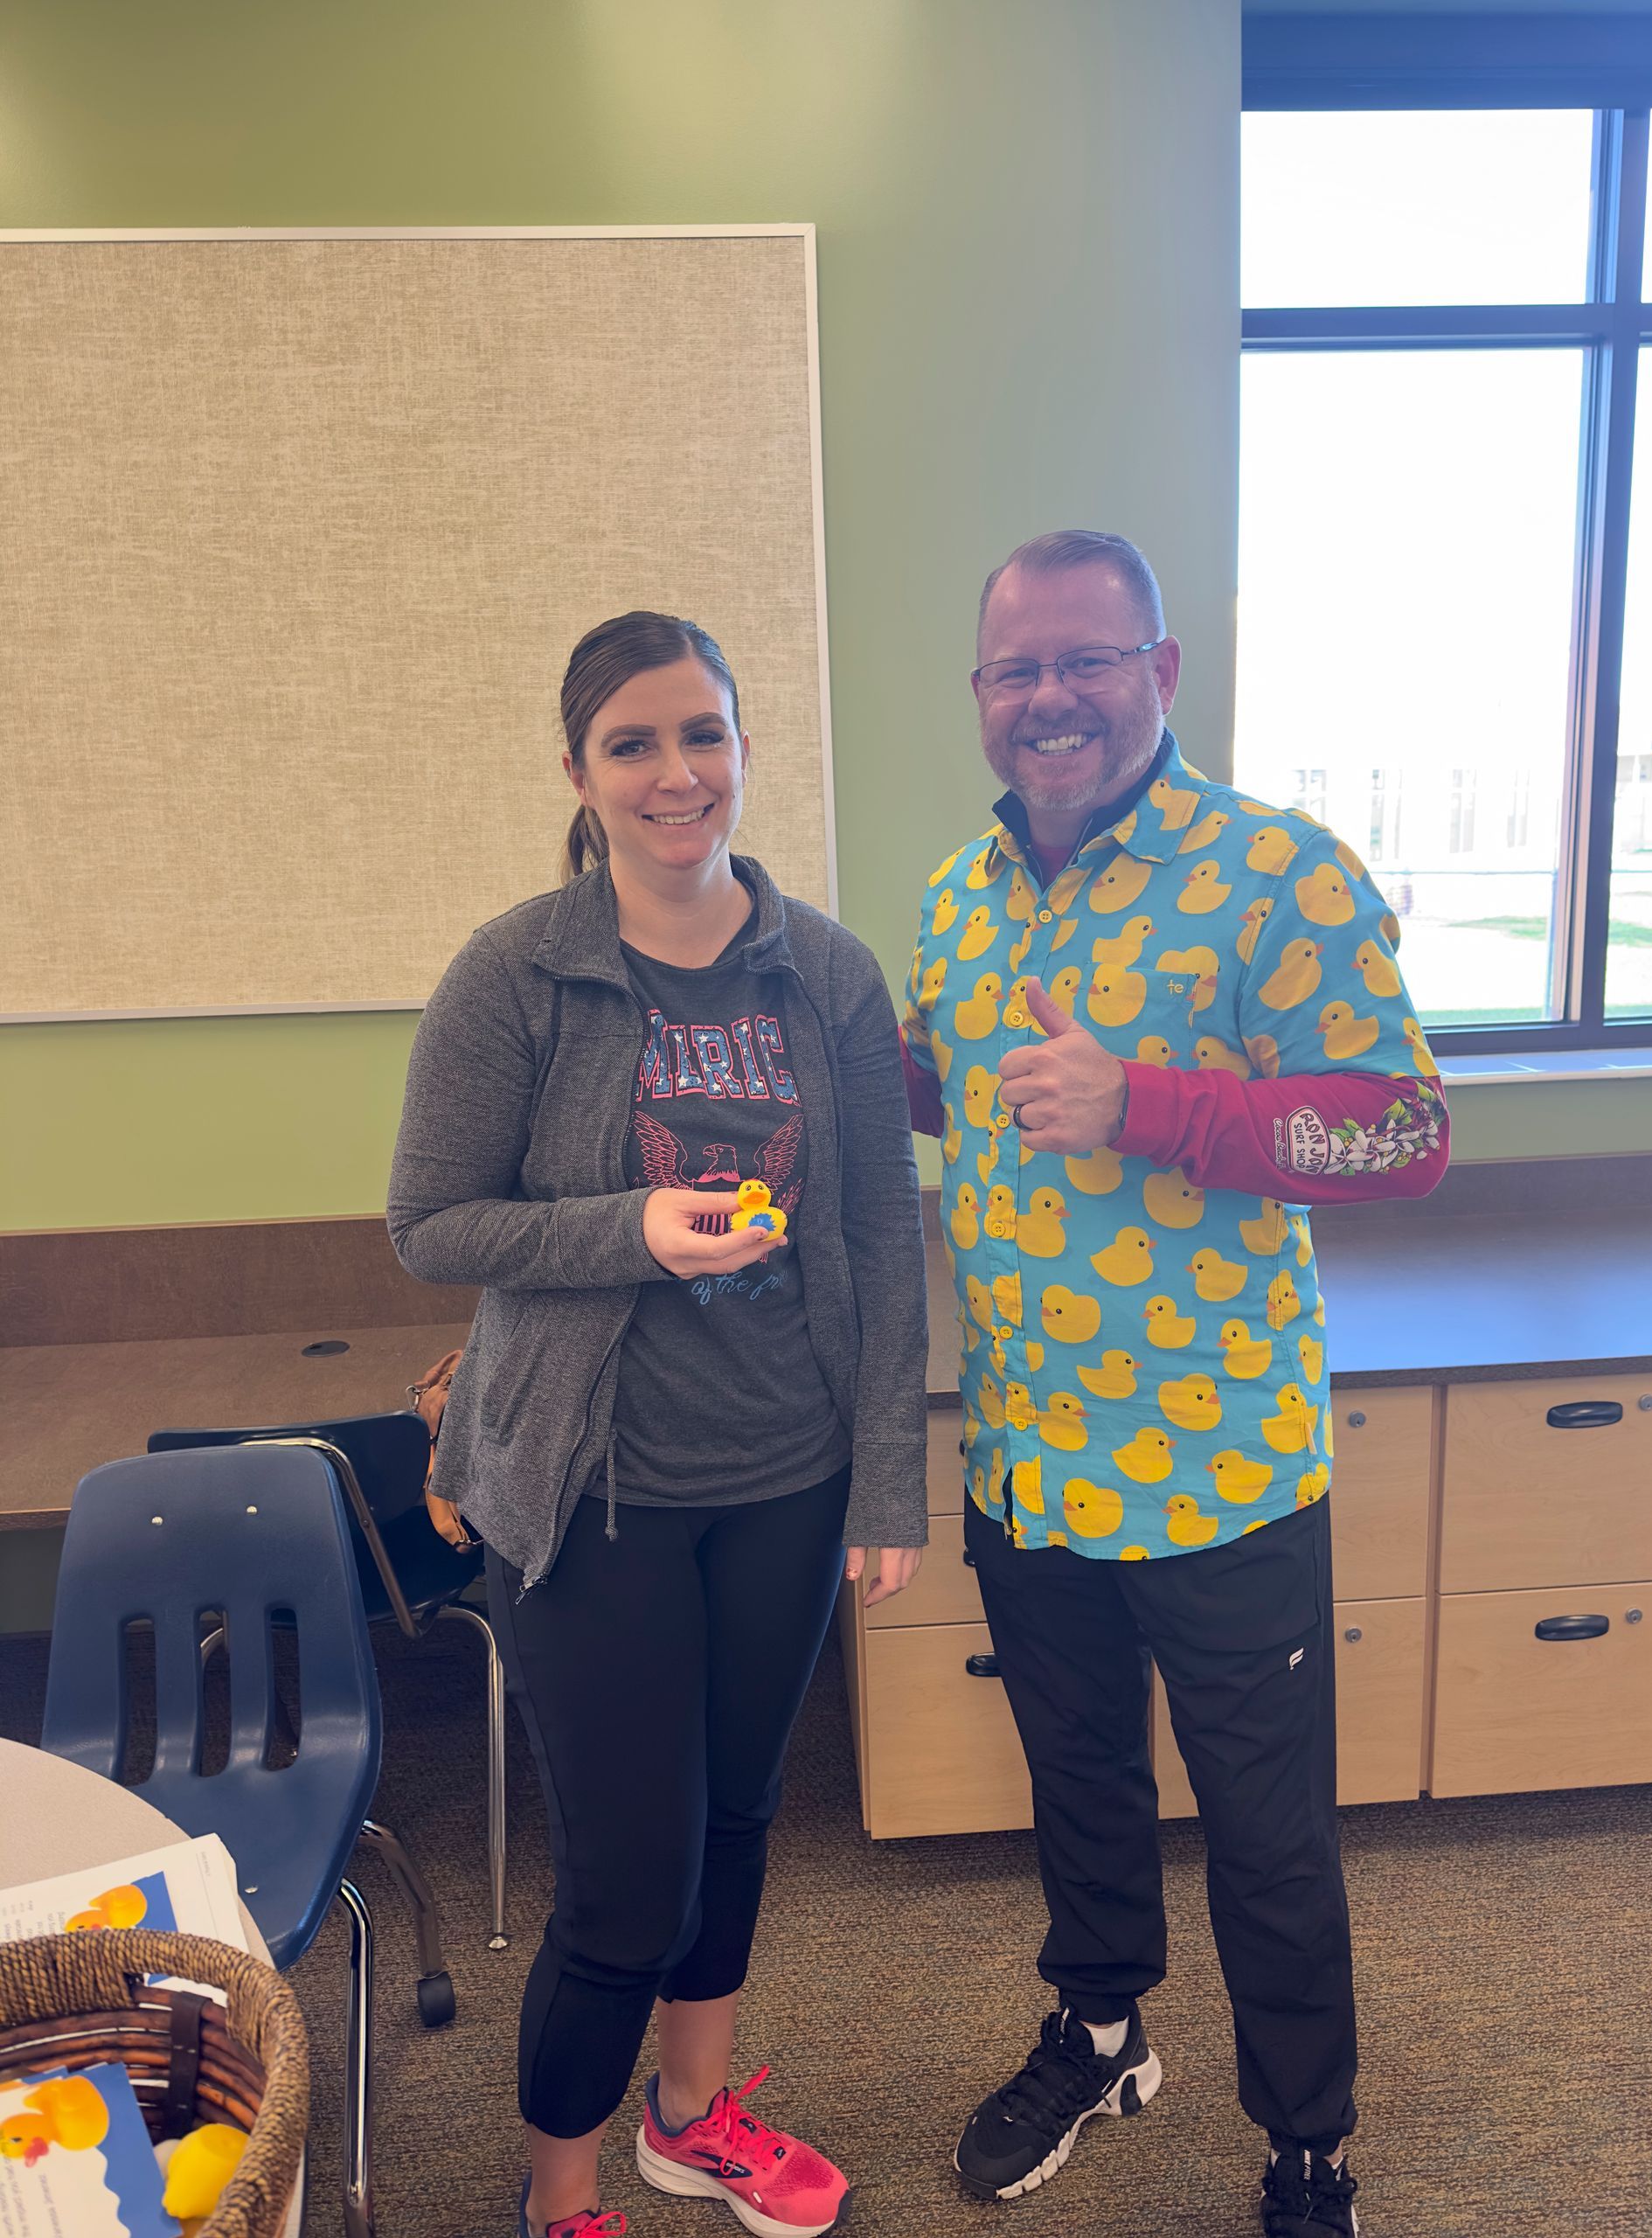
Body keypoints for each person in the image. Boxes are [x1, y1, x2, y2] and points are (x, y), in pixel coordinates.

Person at [900, 532, 1449, 2236]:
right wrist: (851, 1073)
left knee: (1271, 1842)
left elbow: (1400, 1130)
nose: (1049, 696)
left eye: (1085, 657)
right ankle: (1102, 2026)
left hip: (1221, 1473)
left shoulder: (1281, 873)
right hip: (1030, 1467)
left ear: (1162, 670)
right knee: (1080, 1787)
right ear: (981, 695)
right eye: (1016, 669)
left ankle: (1306, 2147)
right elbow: (971, 1099)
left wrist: (1150, 1102)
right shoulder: (955, 896)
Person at [390, 610, 928, 2238]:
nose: (675, 772)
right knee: (630, 1884)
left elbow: (881, 1243)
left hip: (787, 1474)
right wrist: (630, 1225)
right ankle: (560, 2192)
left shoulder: (825, 971)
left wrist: (885, 1480)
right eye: (634, 742)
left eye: (704, 734)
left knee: (741, 1821)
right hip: (588, 1486)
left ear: (744, 752)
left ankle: (690, 2117)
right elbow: (433, 1225)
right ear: (580, 772)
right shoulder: (519, 971)